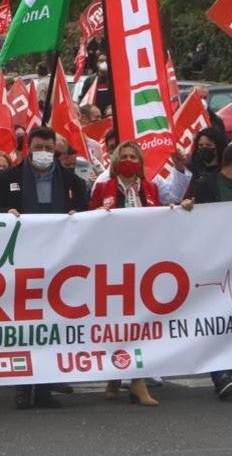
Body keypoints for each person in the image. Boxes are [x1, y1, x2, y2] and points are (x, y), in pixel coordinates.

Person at [0, 127, 88, 410]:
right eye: (38, 146)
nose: (43, 152)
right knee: (24, 324)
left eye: (48, 147)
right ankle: (22, 386)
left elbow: (86, 213)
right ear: (28, 148)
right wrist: (5, 215)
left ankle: (44, 387)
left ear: (55, 149)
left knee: (50, 326)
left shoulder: (71, 181)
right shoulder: (8, 179)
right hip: (22, 262)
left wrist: (77, 217)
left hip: (59, 264)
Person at [89, 141, 164, 407]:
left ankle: (137, 380)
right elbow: (89, 222)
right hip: (113, 262)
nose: (129, 160)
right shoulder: (102, 187)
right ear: (116, 161)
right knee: (116, 321)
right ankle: (114, 375)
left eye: (134, 156)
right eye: (125, 156)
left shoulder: (151, 188)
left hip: (144, 263)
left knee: (140, 321)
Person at [183, 142, 232, 399]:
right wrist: (187, 207)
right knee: (215, 317)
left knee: (229, 319)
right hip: (211, 261)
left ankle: (224, 372)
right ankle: (221, 375)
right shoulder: (205, 184)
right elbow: (190, 210)